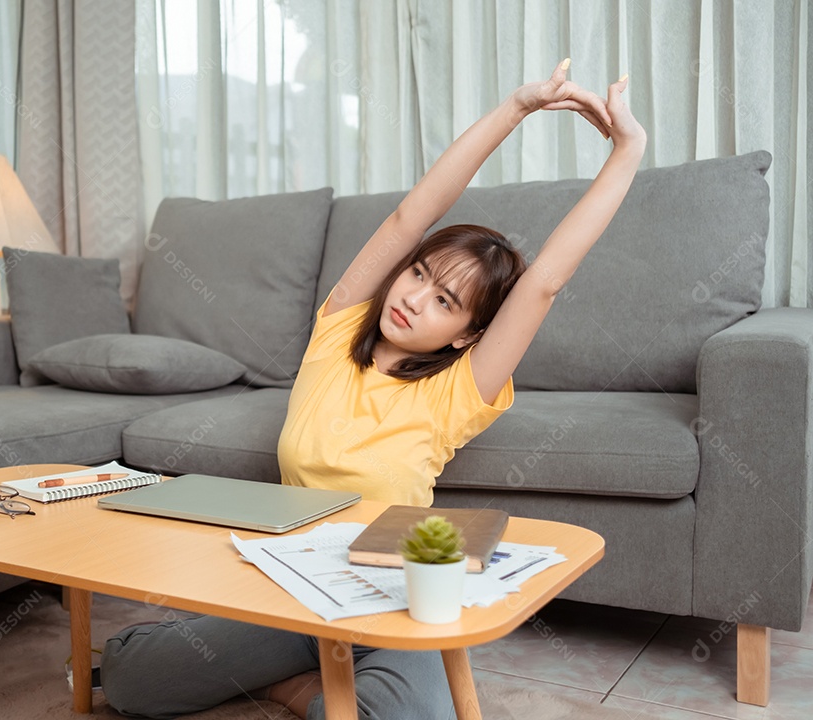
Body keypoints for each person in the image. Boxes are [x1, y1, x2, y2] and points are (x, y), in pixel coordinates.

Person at [100, 59, 647, 719]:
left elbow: (545, 282)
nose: (415, 298)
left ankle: (308, 685)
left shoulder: (458, 391)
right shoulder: (336, 332)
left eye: (444, 300)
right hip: (292, 586)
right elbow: (408, 215)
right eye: (418, 273)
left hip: (391, 594)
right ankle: (299, 681)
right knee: (129, 680)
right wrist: (518, 107)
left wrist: (628, 149)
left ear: (466, 335)